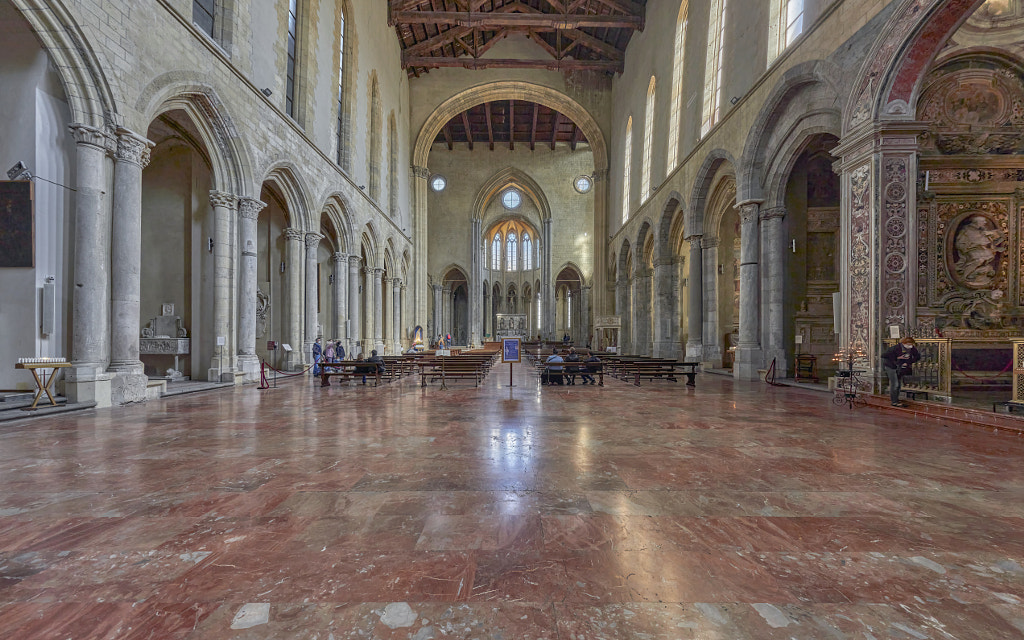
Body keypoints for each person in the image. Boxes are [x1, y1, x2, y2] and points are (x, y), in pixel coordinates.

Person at [882, 336, 920, 407]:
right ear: (903, 343)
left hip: (900, 367)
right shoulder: (896, 348)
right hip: (891, 366)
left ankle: (896, 399)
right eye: (908, 344)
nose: (910, 346)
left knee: (898, 384)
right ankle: (894, 401)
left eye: (911, 344)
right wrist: (898, 357)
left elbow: (917, 356)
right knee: (895, 384)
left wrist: (908, 362)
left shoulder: (912, 349)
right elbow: (884, 355)